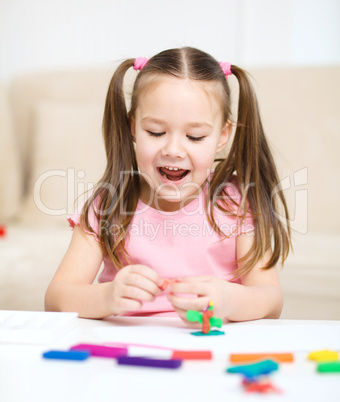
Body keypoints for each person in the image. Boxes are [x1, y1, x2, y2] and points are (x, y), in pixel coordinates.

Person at [45, 47, 291, 323]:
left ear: (222, 136)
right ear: (132, 127)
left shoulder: (237, 202)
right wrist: (106, 297)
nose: (173, 149)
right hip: (128, 352)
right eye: (156, 132)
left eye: (195, 136)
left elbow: (271, 299)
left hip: (212, 349)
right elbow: (56, 298)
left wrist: (231, 301)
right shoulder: (106, 205)